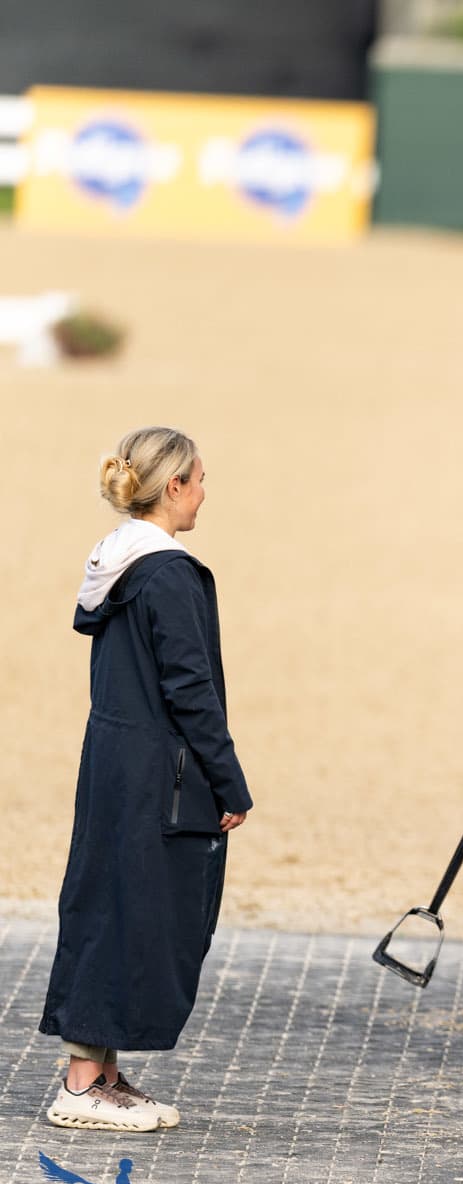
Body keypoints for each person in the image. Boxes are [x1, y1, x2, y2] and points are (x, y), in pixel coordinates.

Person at [42, 427, 252, 1132]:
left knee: (114, 900)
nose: (204, 490)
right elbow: (191, 689)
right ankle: (79, 1084)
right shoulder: (165, 572)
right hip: (155, 772)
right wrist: (229, 783)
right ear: (174, 486)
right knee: (130, 913)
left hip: (113, 760)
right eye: (199, 477)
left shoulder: (115, 562)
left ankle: (100, 1072)